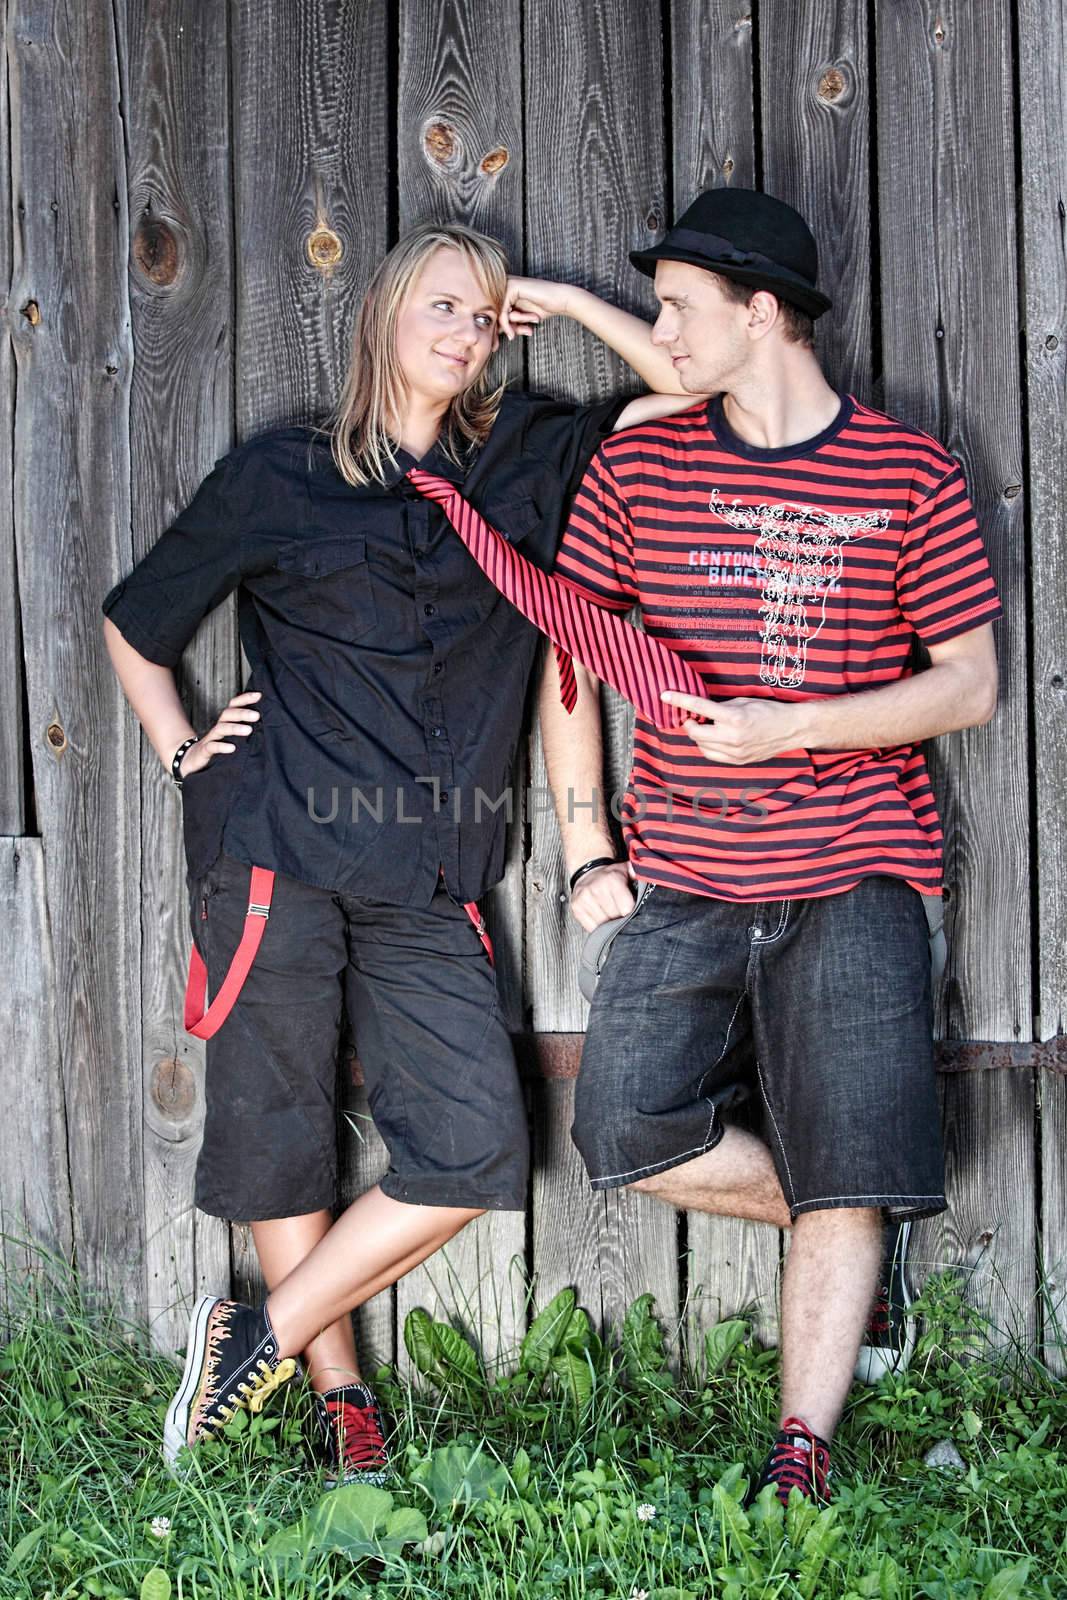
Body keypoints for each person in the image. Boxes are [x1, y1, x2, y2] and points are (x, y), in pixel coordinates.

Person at [101, 220, 701, 1483]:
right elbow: (135, 625)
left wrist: (565, 304)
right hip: (279, 848)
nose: (465, 334)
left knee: (476, 1144)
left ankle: (255, 1335)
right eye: (442, 306)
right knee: (278, 1129)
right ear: (381, 315)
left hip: (431, 870)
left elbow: (691, 384)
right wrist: (182, 748)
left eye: (483, 318)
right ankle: (337, 1400)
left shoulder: (530, 459)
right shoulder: (278, 474)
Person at [537, 187, 1002, 1505]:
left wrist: (793, 727)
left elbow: (964, 683)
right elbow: (571, 661)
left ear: (761, 314)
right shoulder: (635, 465)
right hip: (681, 873)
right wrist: (586, 851)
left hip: (858, 863)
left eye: (677, 309)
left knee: (851, 1160)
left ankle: (797, 1457)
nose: (658, 332)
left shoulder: (907, 471)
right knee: (625, 1130)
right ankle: (846, 1220)